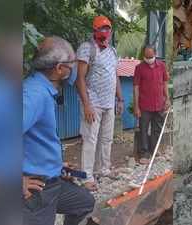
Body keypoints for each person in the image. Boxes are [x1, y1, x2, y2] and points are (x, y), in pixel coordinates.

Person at [23, 36, 95, 225]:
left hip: (52, 178)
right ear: (59, 68)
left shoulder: (42, 90)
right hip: (38, 187)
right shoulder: (34, 94)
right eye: (72, 64)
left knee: (84, 203)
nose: (74, 69)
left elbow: (34, 138)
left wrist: (56, 165)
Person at [76, 15, 124, 191]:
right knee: (90, 139)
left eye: (108, 28)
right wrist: (87, 104)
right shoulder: (87, 49)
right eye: (102, 28)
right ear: (95, 31)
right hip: (93, 103)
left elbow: (115, 76)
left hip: (109, 103)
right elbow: (79, 79)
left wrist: (120, 98)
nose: (106, 31)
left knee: (106, 139)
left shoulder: (112, 51)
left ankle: (103, 169)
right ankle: (86, 177)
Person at [133, 45, 170, 163]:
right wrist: (136, 106)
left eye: (150, 56)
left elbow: (164, 83)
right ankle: (144, 154)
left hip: (159, 104)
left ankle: (154, 151)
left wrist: (167, 99)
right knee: (143, 129)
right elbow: (136, 88)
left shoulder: (162, 66)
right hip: (144, 105)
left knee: (157, 129)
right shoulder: (139, 68)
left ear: (155, 54)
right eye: (146, 56)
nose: (148, 58)